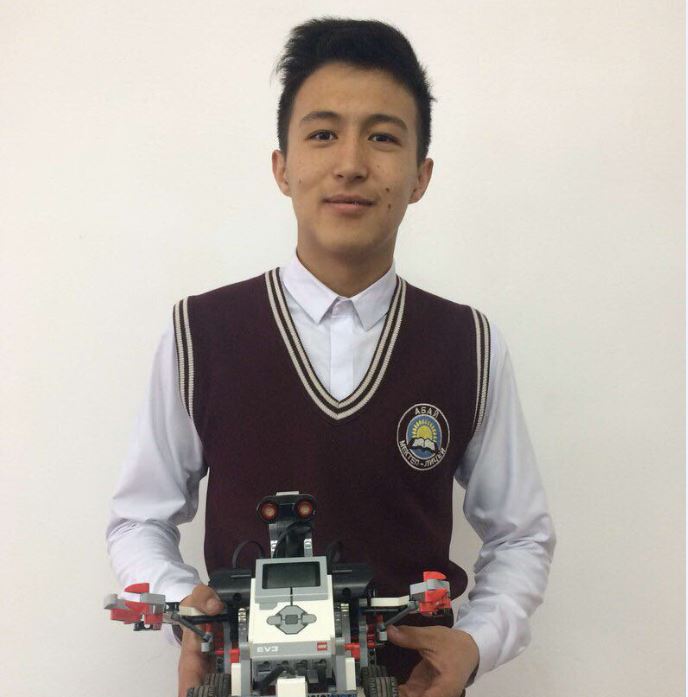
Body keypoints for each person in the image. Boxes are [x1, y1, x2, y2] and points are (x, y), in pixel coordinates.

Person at [106, 17, 556, 697]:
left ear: (421, 176)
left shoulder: (467, 343)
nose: (350, 163)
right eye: (322, 134)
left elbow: (521, 535)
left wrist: (476, 643)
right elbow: (138, 518)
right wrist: (190, 614)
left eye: (383, 136)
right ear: (282, 167)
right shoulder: (201, 333)